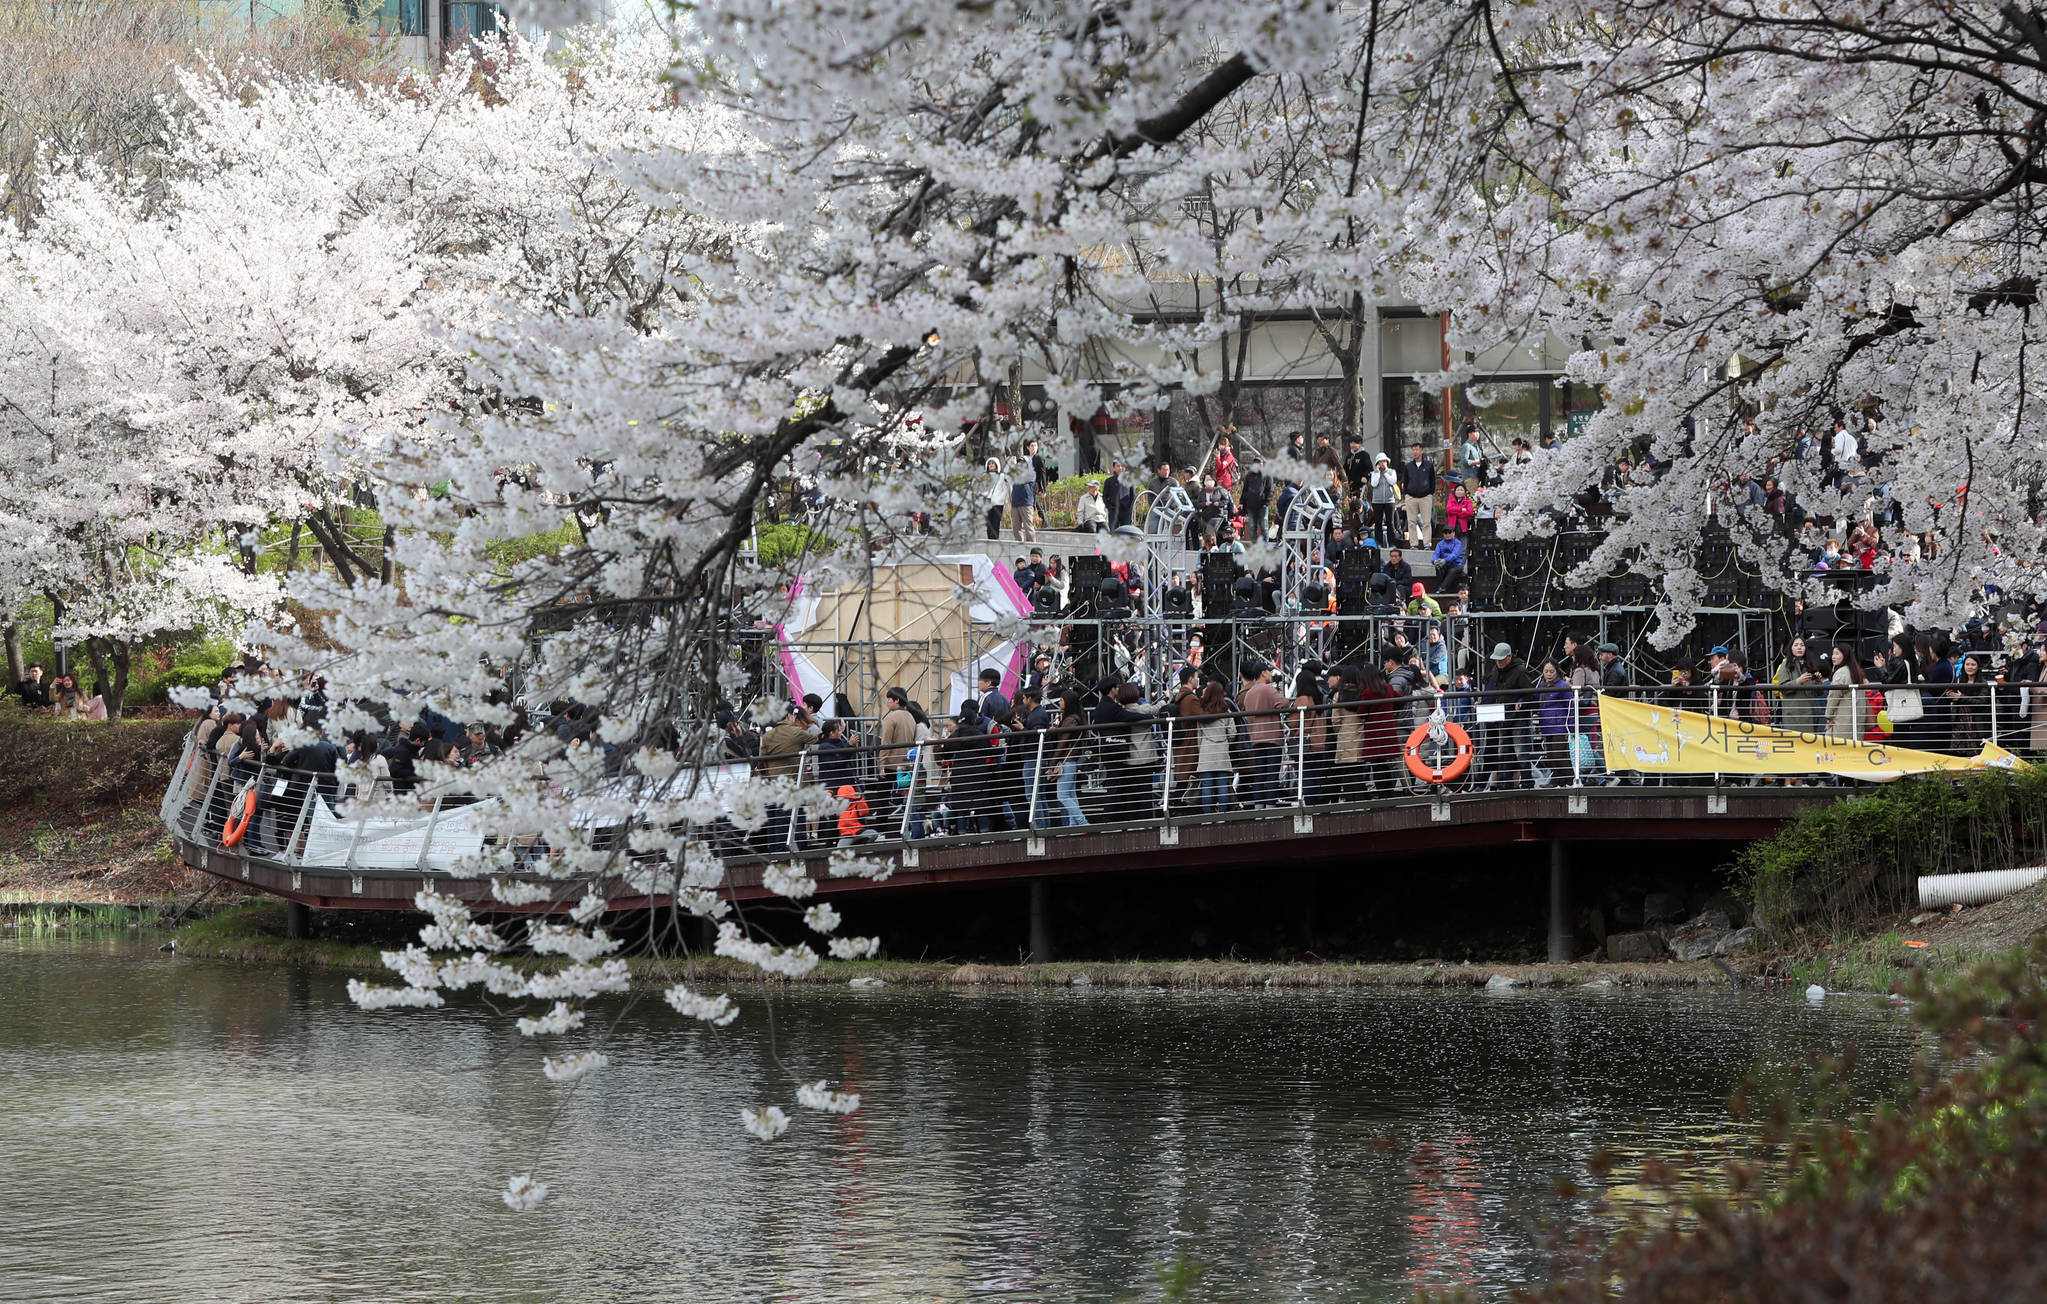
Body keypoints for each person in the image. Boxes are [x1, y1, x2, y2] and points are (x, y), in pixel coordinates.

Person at [1484, 642, 1538, 788]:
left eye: (1501, 659)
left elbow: (1530, 694)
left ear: (1509, 657)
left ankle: (1526, 782)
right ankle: (1505, 783)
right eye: (1497, 659)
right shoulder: (1497, 670)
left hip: (1518, 717)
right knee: (1504, 752)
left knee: (1521, 753)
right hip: (1503, 717)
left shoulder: (1520, 671)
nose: (1498, 662)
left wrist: (1521, 703)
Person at [1239, 661, 1288, 808]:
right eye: (1269, 671)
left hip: (1256, 738)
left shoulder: (1249, 694)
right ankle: (1270, 806)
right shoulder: (1268, 689)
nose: (1271, 673)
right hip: (1272, 737)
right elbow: (1284, 703)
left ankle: (1259, 806)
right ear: (1263, 673)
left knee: (1260, 773)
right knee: (1272, 773)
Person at [1192, 681, 1237, 814]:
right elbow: (1232, 733)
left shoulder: (1202, 712)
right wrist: (1225, 741)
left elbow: (1199, 735)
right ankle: (1222, 814)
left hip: (1206, 750)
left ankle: (1207, 816)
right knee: (1223, 784)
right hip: (1222, 750)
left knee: (1207, 786)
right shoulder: (1226, 711)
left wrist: (1202, 749)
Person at [1046, 692, 1091, 827]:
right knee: (1070, 795)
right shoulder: (1076, 718)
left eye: (1061, 699)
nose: (1059, 702)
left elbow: (1062, 744)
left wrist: (1052, 764)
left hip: (1067, 760)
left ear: (1068, 702)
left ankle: (1082, 823)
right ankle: (1074, 825)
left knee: (1063, 796)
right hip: (1071, 760)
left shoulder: (1070, 720)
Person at [1771, 638, 1826, 735]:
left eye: (1802, 645)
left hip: (1811, 713)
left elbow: (1819, 693)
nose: (1799, 647)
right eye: (1796, 645)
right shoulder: (1785, 665)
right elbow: (1782, 688)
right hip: (1794, 715)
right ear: (1791, 649)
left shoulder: (1810, 664)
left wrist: (1818, 682)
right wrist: (1798, 681)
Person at [1825, 643, 1868, 741]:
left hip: (1842, 720)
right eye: (1833, 654)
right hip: (1857, 720)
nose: (1833, 657)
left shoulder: (1841, 673)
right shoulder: (1856, 671)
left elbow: (1833, 696)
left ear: (1845, 655)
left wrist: (1828, 715)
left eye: (1837, 654)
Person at [1399, 441, 1438, 548]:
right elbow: (1405, 481)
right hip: (1411, 497)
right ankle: (1414, 544)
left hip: (1425, 497)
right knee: (1411, 522)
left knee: (1426, 522)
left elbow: (1432, 481)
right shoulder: (1408, 466)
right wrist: (1406, 494)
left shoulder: (1429, 465)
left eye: (1417, 449)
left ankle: (1427, 544)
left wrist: (1430, 493)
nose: (1415, 452)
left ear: (1422, 451)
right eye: (1413, 450)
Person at [1366, 452, 1399, 547]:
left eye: (1384, 461)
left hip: (1389, 500)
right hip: (1377, 501)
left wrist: (1384, 473)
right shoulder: (1374, 473)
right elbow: (1374, 484)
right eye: (1380, 462)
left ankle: (1392, 543)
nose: (1382, 464)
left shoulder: (1391, 471)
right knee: (1378, 523)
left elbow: (1392, 481)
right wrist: (1377, 472)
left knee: (1390, 522)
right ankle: (1379, 543)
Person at [1009, 454, 1039, 542]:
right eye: (1019, 462)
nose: (1020, 464)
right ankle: (1019, 546)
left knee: (1028, 526)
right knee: (1016, 527)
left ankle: (1032, 546)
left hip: (1026, 503)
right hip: (1015, 503)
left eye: (1023, 462)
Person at [982, 457, 1008, 540]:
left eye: (993, 463)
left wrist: (1000, 499)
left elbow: (1005, 489)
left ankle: (995, 541)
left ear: (997, 465)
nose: (991, 465)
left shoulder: (1002, 476)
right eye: (990, 463)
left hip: (998, 503)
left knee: (995, 524)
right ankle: (990, 540)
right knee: (988, 524)